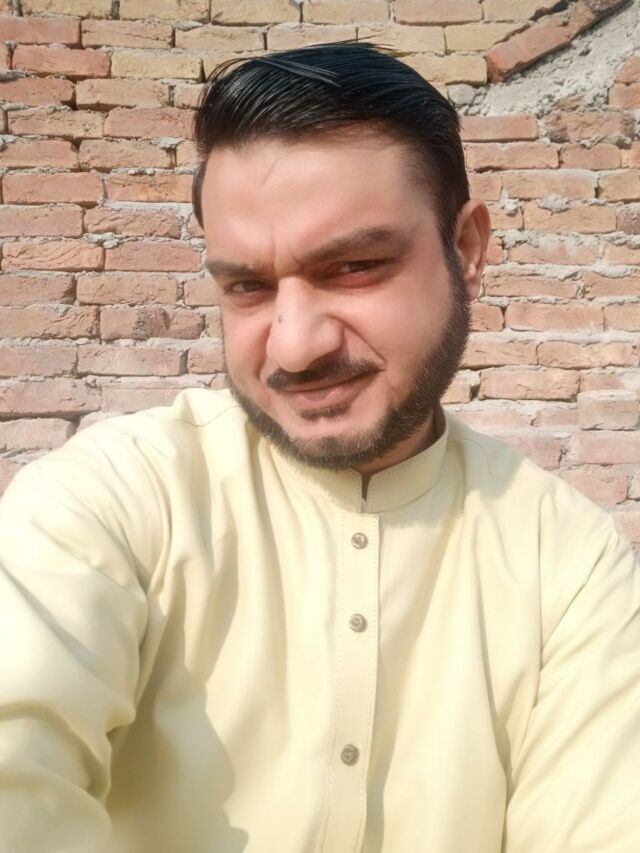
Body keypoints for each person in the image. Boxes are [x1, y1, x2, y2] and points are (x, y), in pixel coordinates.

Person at [0, 41, 638, 853]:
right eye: (248, 287)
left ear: (467, 251)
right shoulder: (110, 503)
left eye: (355, 267)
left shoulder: (568, 563)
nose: (295, 346)